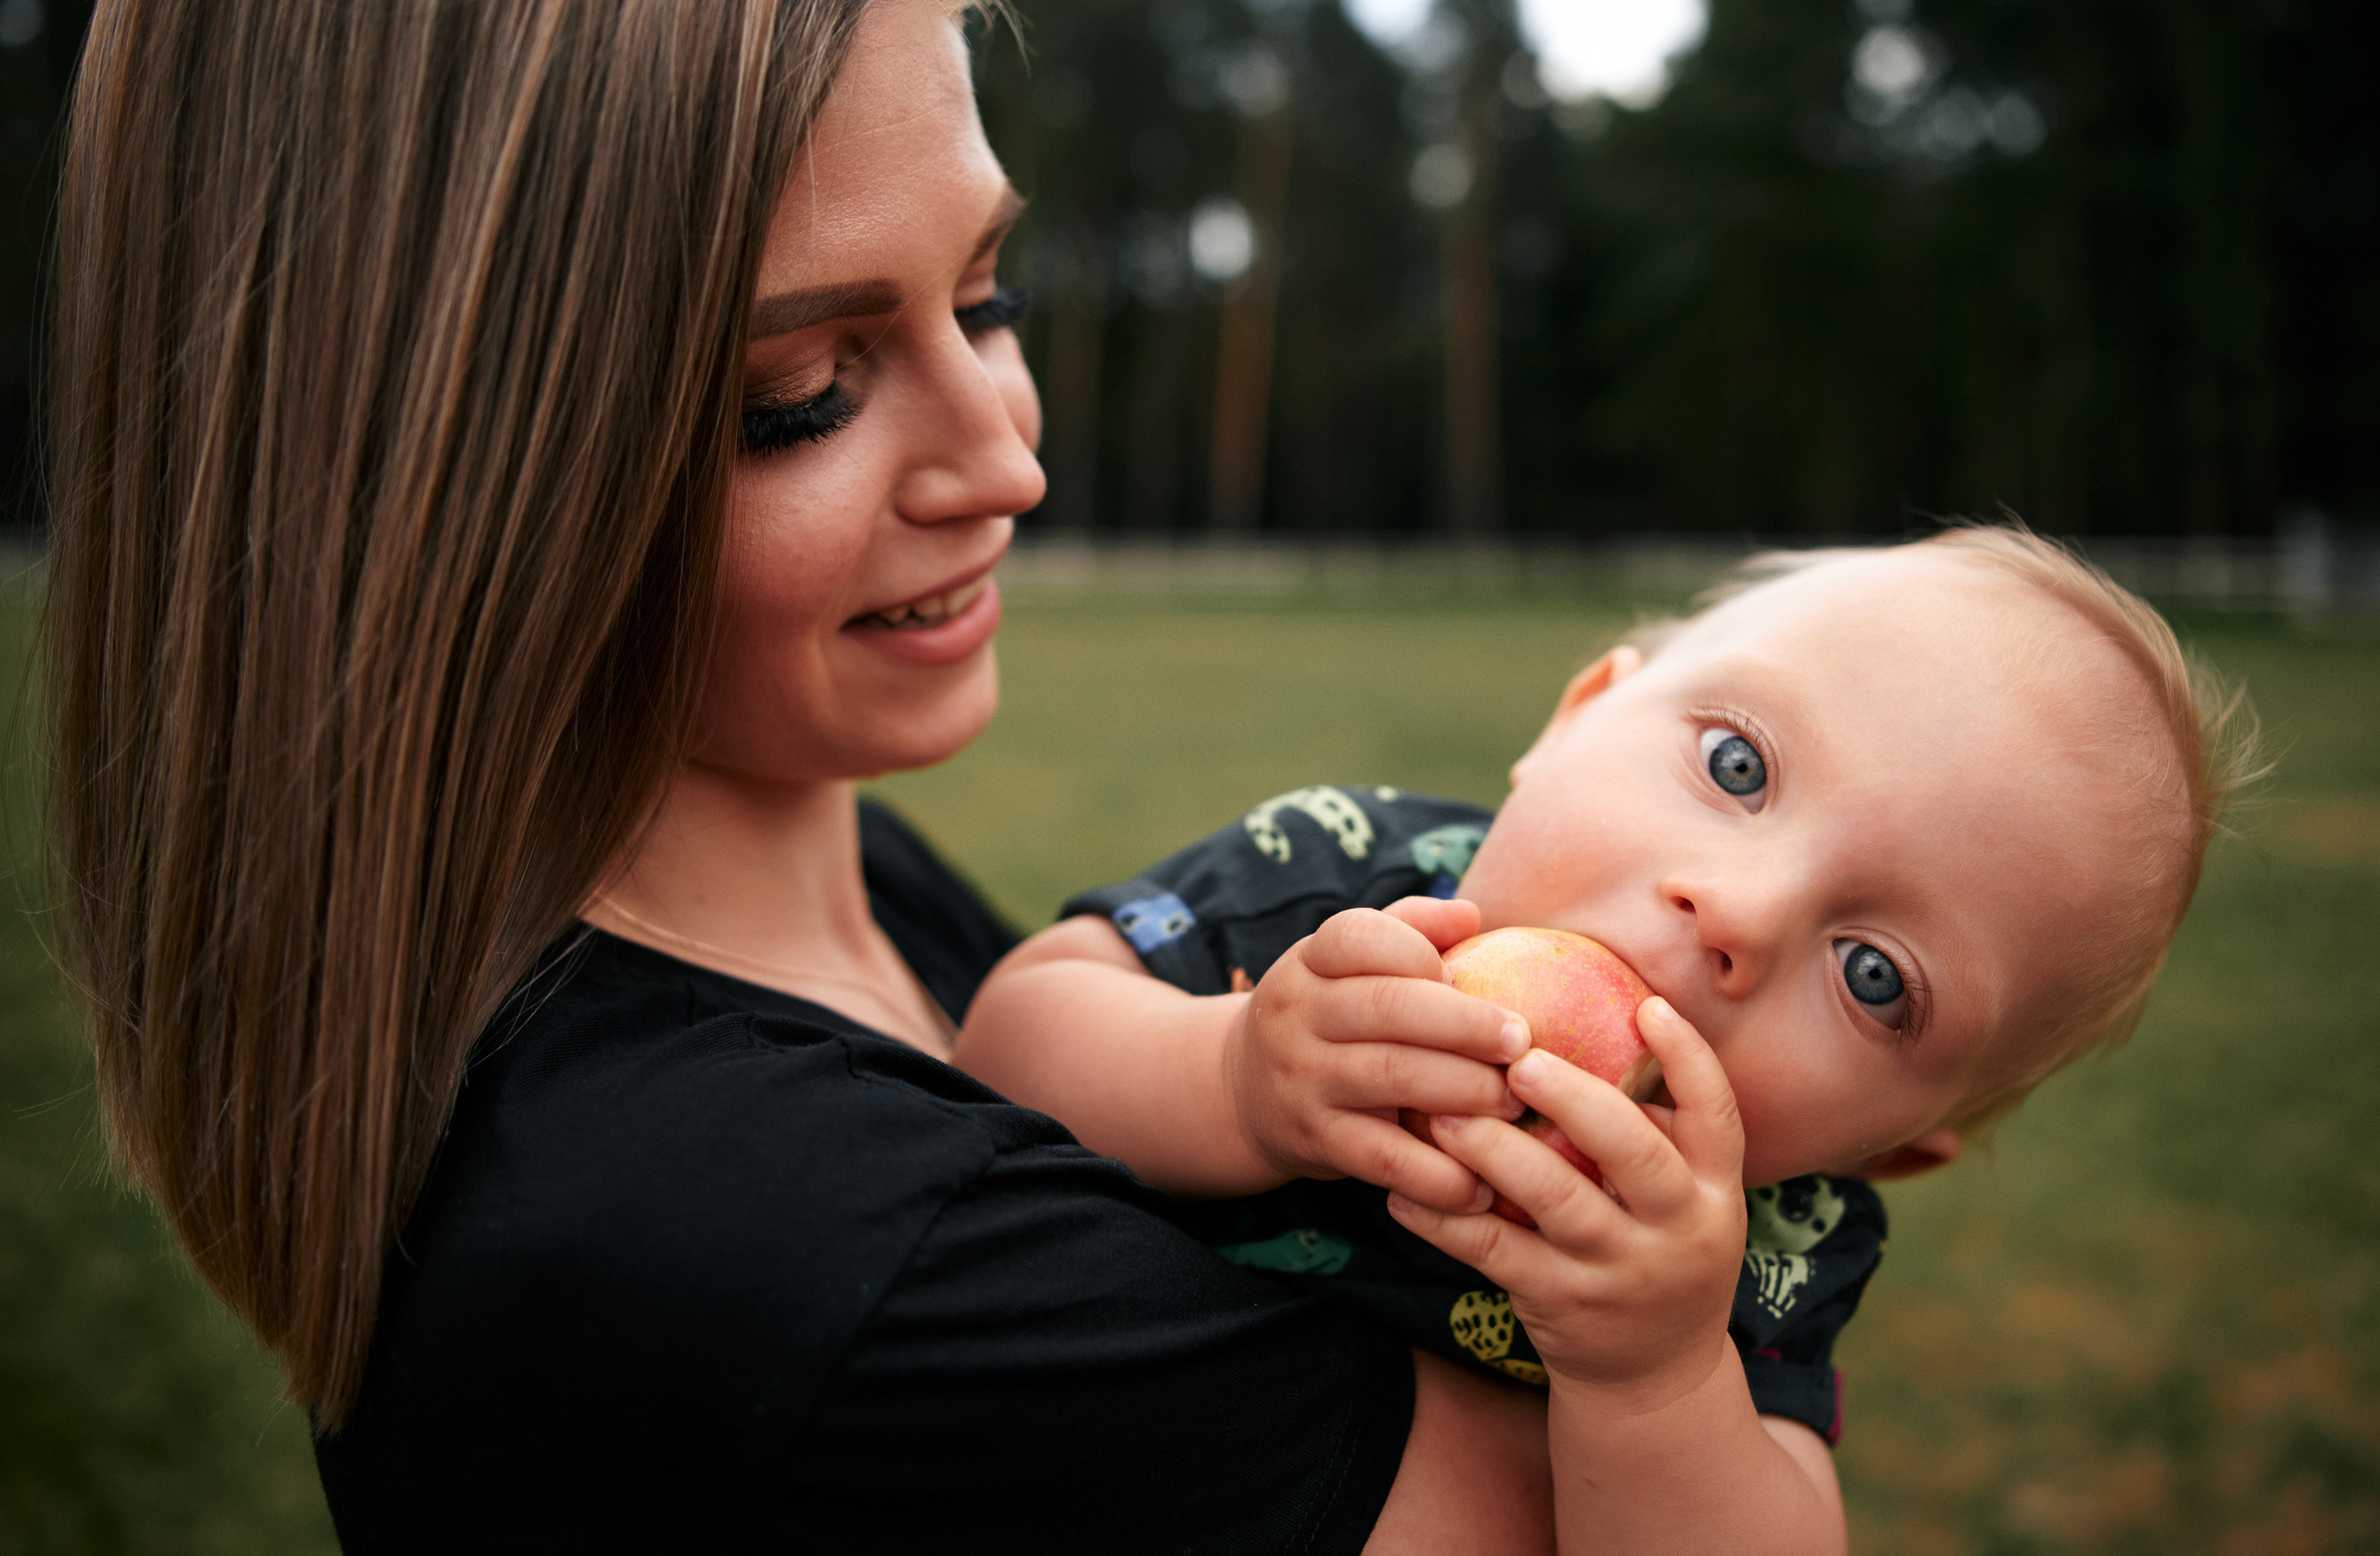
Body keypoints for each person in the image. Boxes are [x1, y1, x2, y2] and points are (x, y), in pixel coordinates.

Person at [43, 0, 1806, 1549]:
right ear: (423, 475)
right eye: (801, 389)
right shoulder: (782, 1233)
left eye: (988, 294)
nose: (1008, 460)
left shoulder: (849, 889)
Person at [952, 528, 2262, 1546]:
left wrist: (1656, 1380)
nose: (1740, 911)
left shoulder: (1758, 1249)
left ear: (1887, 1153)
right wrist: (1233, 1074)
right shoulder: (1336, 886)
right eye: (1739, 768)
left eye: (1874, 977)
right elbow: (998, 1049)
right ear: (1572, 719)